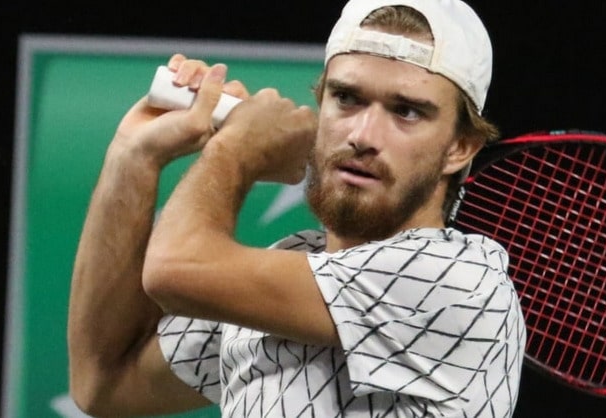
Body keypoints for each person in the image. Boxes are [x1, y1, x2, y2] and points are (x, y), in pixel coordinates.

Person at [67, 0, 527, 416]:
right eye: (346, 98)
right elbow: (104, 384)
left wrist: (239, 149)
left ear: (460, 148)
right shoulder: (293, 263)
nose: (363, 135)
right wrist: (134, 155)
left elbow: (172, 270)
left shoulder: (461, 281)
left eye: (406, 111)